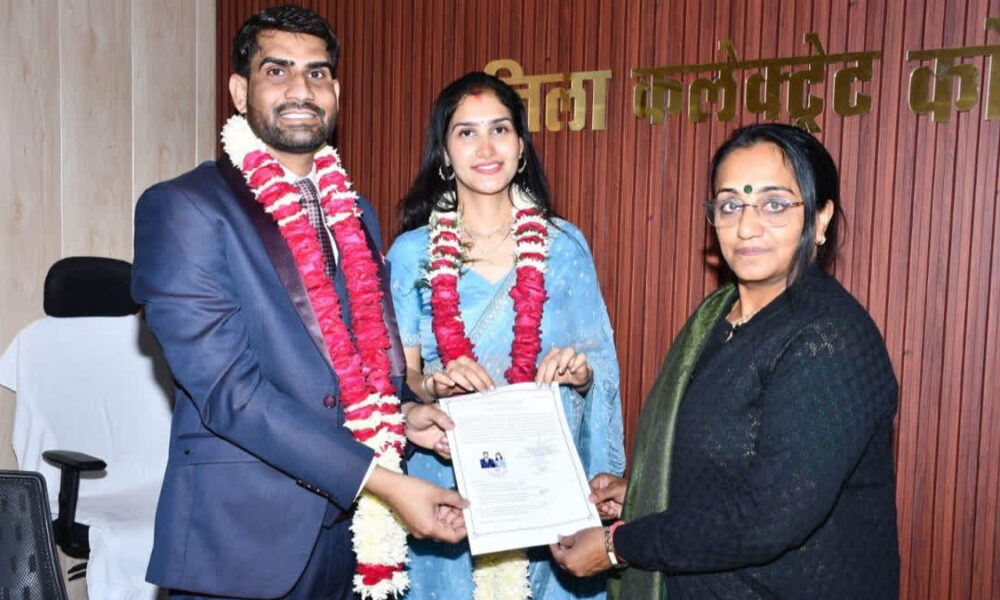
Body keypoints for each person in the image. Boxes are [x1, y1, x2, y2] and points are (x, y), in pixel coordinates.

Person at [131, 6, 466, 600]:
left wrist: (403, 413)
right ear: (240, 91)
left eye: (317, 73)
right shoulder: (184, 208)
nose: (301, 90)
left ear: (336, 90)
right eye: (277, 70)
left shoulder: (355, 212)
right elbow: (230, 394)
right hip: (241, 541)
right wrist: (382, 481)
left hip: (349, 541)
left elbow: (355, 361)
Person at [550, 124, 900, 600]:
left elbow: (768, 517)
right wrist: (645, 492)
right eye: (731, 205)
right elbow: (738, 461)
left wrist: (621, 544)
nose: (747, 227)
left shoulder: (829, 340)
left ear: (820, 219)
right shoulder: (718, 317)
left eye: (774, 204)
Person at [386, 72, 625, 600]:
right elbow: (402, 379)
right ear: (444, 153)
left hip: (541, 482)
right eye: (466, 133)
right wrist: (432, 388)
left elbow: (601, 367)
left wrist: (581, 375)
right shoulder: (411, 254)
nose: (486, 147)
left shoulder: (563, 247)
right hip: (446, 481)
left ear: (520, 146)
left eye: (499, 129)